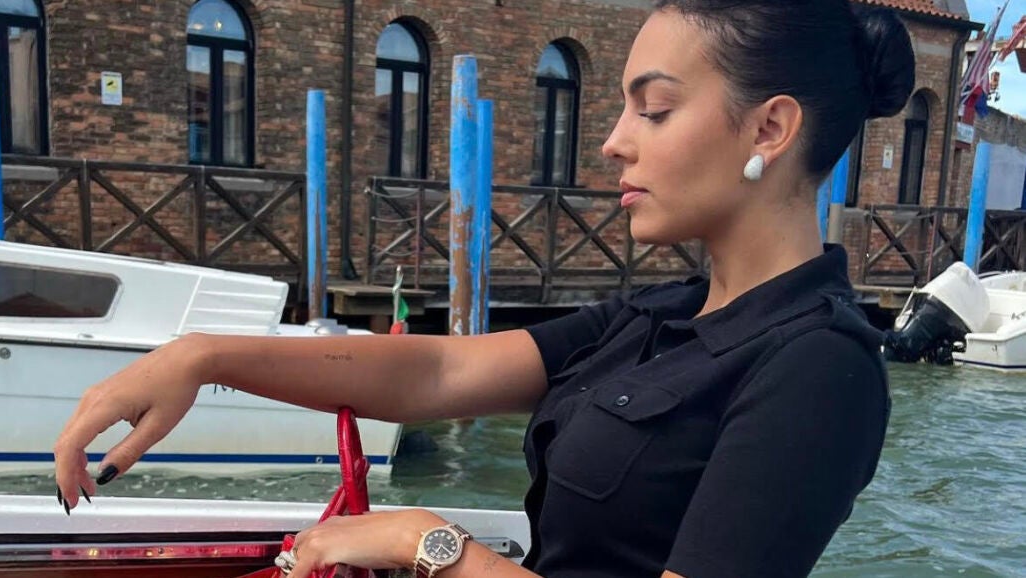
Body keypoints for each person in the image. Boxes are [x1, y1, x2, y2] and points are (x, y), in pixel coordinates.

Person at [54, 0, 916, 576]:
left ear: (769, 128)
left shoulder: (818, 369)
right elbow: (439, 372)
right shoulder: (663, 314)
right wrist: (203, 358)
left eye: (652, 109)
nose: (614, 141)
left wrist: (425, 542)